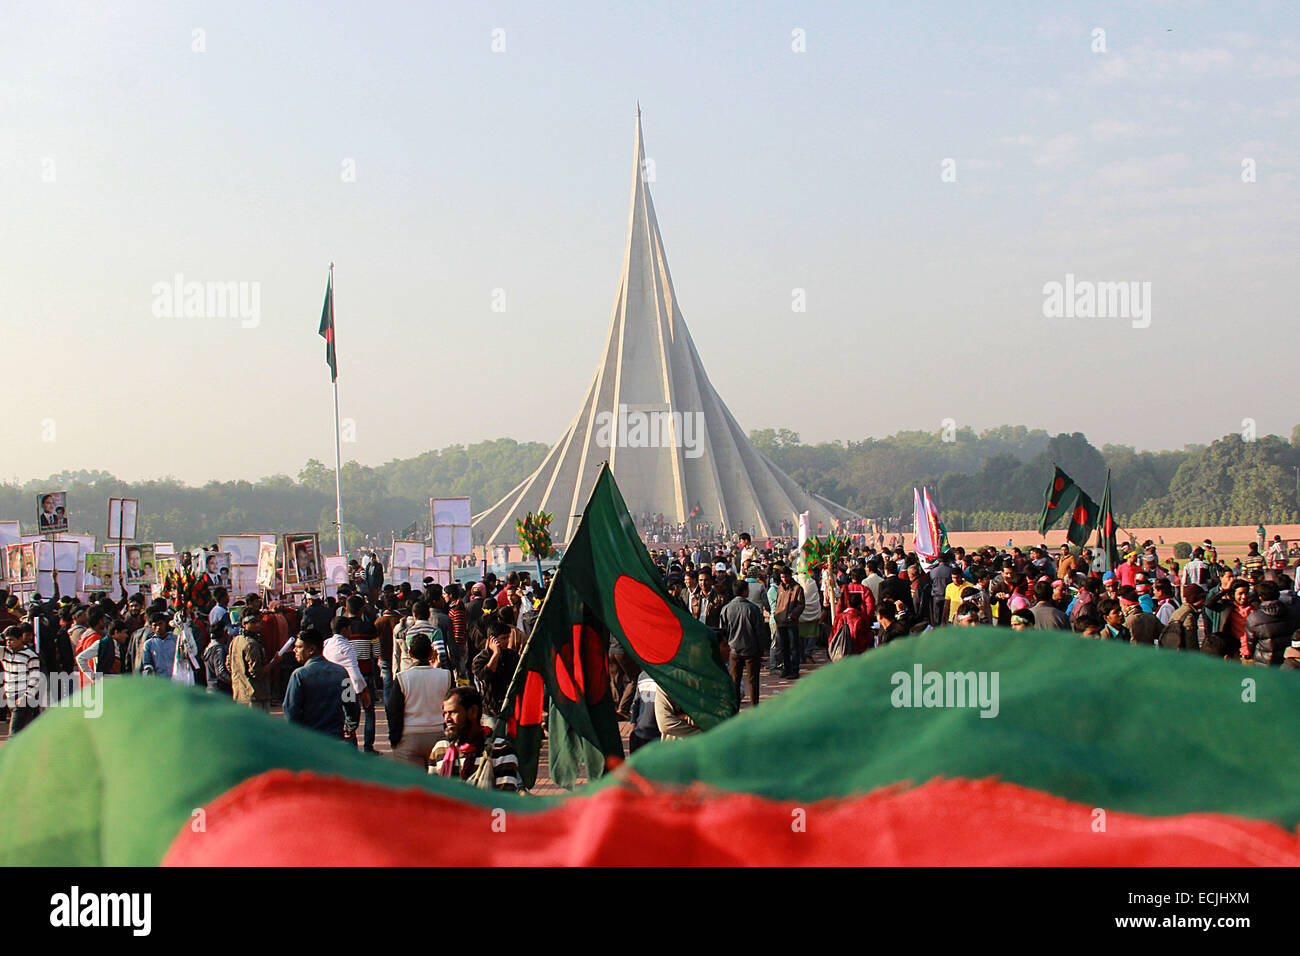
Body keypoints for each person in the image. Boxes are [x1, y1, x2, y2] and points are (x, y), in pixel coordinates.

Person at [430, 686, 520, 790]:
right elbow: (431, 795)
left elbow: (505, 800)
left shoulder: (499, 750)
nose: (447, 719)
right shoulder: (440, 750)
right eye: (445, 713)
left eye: (453, 712)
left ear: (473, 712)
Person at [386, 631, 452, 767]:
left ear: (410, 654)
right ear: (431, 652)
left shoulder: (402, 678)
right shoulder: (446, 676)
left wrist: (394, 739)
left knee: (413, 785)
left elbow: (393, 712)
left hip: (409, 738)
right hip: (440, 736)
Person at [284, 628, 349, 738]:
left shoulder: (299, 675)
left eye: (299, 647)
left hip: (310, 739)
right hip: (335, 736)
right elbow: (351, 703)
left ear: (312, 649)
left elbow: (291, 710)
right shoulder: (341, 672)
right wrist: (350, 727)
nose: (294, 650)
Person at [721, 579, 766, 707]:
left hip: (733, 649)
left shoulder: (726, 609)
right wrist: (761, 649)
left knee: (735, 680)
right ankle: (754, 706)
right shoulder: (753, 609)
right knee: (753, 680)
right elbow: (760, 632)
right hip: (751, 649)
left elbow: (723, 631)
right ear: (746, 591)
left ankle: (735, 707)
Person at [228, 610, 272, 709]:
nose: (257, 625)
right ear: (244, 624)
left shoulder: (235, 641)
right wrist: (273, 663)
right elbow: (256, 672)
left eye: (259, 621)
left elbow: (229, 665)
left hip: (240, 693)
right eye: (253, 622)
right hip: (254, 696)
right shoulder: (251, 644)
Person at [772, 567, 804, 680]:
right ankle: (786, 668)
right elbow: (778, 603)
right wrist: (777, 615)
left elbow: (801, 605)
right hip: (780, 622)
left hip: (791, 622)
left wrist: (792, 616)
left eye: (786, 576)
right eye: (782, 577)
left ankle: (794, 670)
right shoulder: (780, 587)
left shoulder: (797, 588)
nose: (784, 579)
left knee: (793, 647)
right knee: (783, 646)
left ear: (790, 576)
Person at [628, 671, 661, 752]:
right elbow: (636, 703)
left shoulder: (642, 676)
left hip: (642, 729)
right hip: (657, 732)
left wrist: (633, 723)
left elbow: (636, 703)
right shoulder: (670, 676)